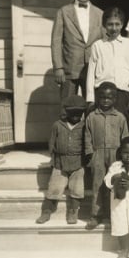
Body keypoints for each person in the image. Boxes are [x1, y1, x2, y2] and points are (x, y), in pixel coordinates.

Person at [36, 95, 88, 224]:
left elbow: (87, 145)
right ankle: (47, 211)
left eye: (79, 113)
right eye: (72, 113)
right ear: (66, 112)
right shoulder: (58, 125)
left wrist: (85, 162)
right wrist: (53, 160)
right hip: (60, 163)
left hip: (77, 163)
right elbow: (52, 144)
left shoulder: (84, 127)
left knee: (77, 188)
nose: (75, 116)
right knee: (54, 187)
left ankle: (73, 210)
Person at [84, 81, 129, 229]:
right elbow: (87, 136)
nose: (105, 101)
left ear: (115, 99)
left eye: (109, 98)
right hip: (98, 154)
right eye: (102, 97)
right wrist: (90, 154)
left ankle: (111, 214)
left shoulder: (120, 117)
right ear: (98, 98)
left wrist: (124, 158)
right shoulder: (91, 116)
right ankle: (95, 215)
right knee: (97, 184)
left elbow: (125, 137)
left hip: (115, 155)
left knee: (113, 184)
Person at [51, 0, 104, 98]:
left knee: (91, 106)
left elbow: (104, 41)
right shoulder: (63, 12)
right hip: (70, 68)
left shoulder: (100, 13)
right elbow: (56, 42)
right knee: (67, 108)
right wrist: (58, 67)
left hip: (93, 69)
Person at [86, 7, 129, 125]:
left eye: (117, 24)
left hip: (122, 93)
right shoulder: (98, 45)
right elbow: (91, 73)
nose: (114, 28)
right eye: (110, 24)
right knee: (103, 125)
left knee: (121, 125)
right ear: (104, 25)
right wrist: (90, 98)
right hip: (102, 92)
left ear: (122, 25)